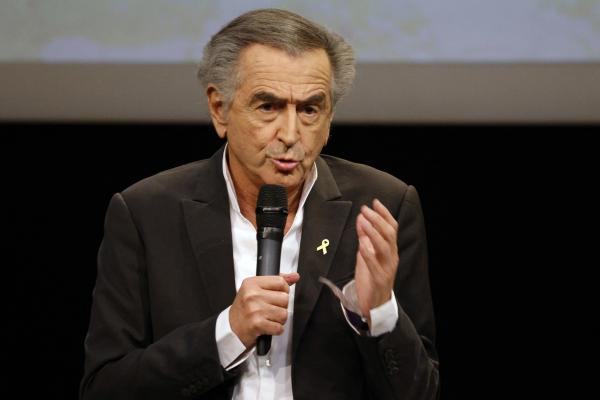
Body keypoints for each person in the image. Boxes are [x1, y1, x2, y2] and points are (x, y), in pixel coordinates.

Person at [80, 8, 439, 400]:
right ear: (220, 109)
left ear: (330, 118)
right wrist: (228, 333)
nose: (290, 134)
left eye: (309, 109)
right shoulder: (146, 214)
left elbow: (419, 393)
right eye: (268, 107)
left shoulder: (382, 207)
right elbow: (105, 387)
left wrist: (381, 313)